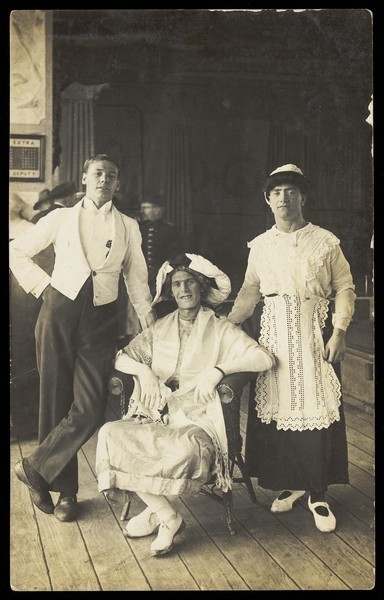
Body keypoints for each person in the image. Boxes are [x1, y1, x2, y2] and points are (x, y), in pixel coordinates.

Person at [95, 253, 275, 556]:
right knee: (110, 435)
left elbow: (263, 357)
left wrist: (218, 371)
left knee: (184, 448)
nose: (183, 289)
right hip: (155, 410)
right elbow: (122, 356)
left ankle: (156, 512)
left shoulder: (219, 327)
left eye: (189, 282)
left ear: (201, 287)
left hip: (197, 416)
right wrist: (145, 373)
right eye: (177, 284)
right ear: (171, 290)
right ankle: (168, 515)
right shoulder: (160, 327)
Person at [10, 153, 156, 522]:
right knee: (54, 402)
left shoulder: (128, 226)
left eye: (112, 174)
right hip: (58, 311)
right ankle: (67, 495)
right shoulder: (60, 218)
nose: (105, 179)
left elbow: (136, 280)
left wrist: (150, 323)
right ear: (85, 180)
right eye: (98, 173)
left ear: (117, 184)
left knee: (90, 407)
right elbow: (16, 250)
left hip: (101, 321)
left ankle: (34, 468)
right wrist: (44, 288)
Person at [227, 164, 356, 533]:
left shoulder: (326, 242)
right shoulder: (261, 245)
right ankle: (291, 483)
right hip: (275, 341)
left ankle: (318, 494)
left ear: (303, 197)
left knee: (316, 410)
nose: (284, 198)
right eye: (277, 192)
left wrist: (340, 332)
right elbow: (250, 292)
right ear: (268, 201)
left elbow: (345, 287)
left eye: (291, 191)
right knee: (279, 413)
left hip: (316, 338)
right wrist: (228, 324)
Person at [139, 197, 185, 297]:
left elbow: (176, 254)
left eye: (146, 208)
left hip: (162, 276)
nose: (141, 211)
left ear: (157, 209)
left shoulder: (169, 229)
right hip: (141, 275)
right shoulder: (139, 229)